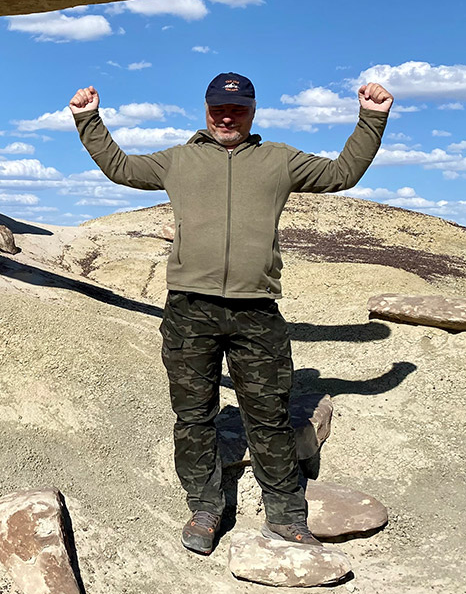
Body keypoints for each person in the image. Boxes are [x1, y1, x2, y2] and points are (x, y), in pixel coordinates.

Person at [69, 72, 392, 554]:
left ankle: (284, 514)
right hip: (189, 310)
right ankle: (205, 507)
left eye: (237, 110)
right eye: (218, 108)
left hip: (256, 312)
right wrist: (88, 119)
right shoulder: (178, 160)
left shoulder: (278, 160)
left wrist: (372, 119)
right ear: (205, 109)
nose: (227, 117)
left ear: (253, 112)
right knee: (193, 416)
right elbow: (120, 167)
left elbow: (341, 173)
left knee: (270, 417)